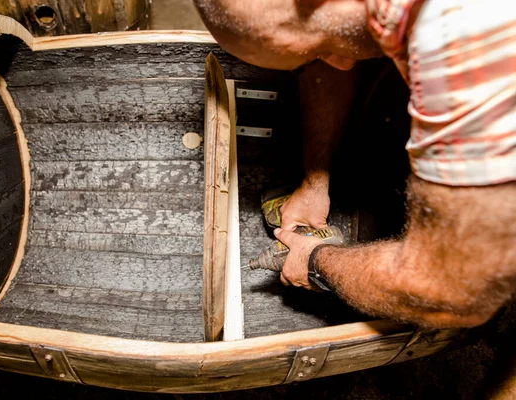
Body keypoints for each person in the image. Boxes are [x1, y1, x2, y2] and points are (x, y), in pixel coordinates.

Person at [194, 0, 516, 328]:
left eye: (316, 53)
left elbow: (453, 294)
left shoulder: (463, 45)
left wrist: (316, 261)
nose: (336, 63)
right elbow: (334, 54)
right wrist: (315, 179)